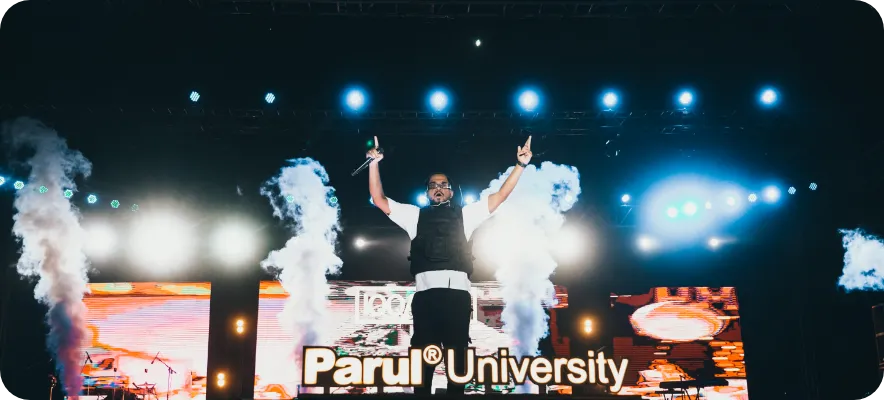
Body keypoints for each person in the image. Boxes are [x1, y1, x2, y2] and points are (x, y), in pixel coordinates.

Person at [366, 135, 532, 395]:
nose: (438, 188)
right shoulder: (414, 215)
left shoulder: (466, 214)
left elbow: (500, 196)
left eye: (443, 185)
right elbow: (379, 199)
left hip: (457, 297)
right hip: (426, 297)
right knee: (423, 359)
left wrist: (520, 165)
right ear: (427, 192)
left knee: (457, 360)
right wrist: (374, 163)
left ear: (451, 191)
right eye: (433, 185)